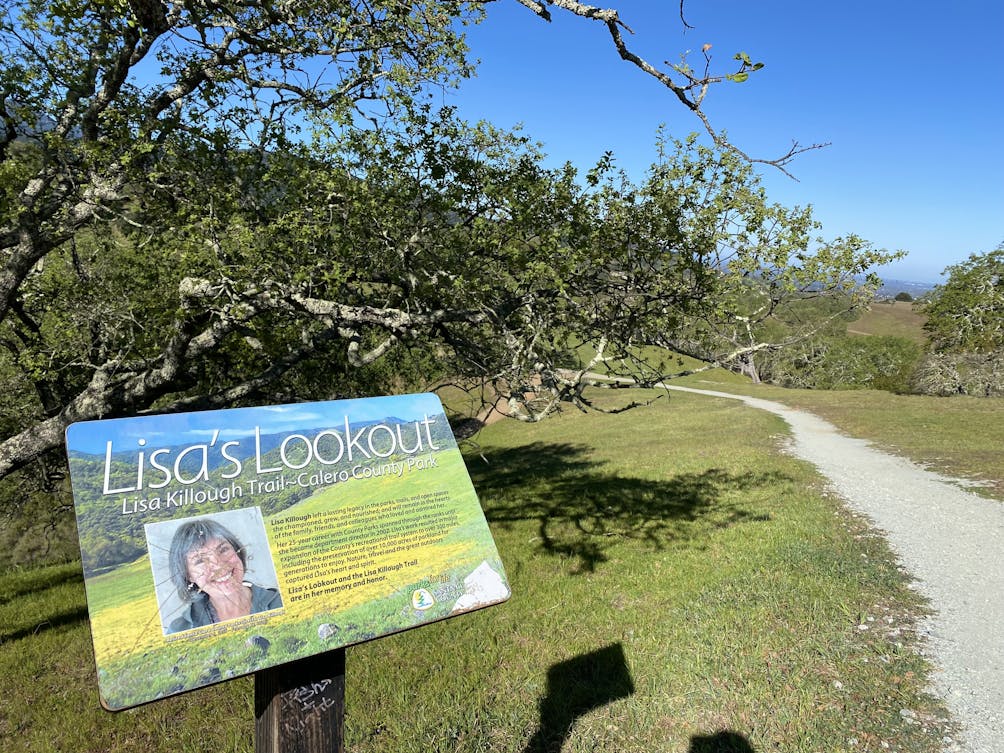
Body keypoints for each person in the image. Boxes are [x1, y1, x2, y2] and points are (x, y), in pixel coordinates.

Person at [167, 517, 282, 634]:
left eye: (223, 550)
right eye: (200, 561)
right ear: (188, 575)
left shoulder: (279, 602)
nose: (219, 565)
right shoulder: (179, 630)